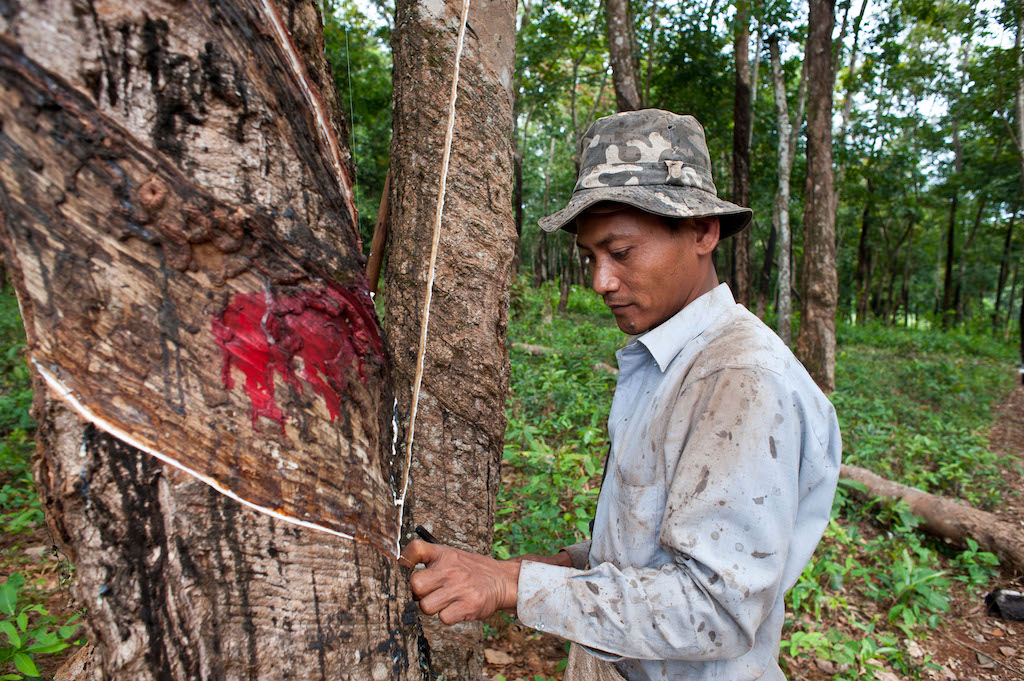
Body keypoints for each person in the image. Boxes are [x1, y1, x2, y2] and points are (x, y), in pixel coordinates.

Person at [400, 109, 842, 681]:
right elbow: (641, 549)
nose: (600, 282)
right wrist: (512, 569)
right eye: (591, 258)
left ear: (703, 231)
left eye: (622, 252)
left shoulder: (739, 380)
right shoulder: (665, 360)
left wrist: (512, 585)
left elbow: (717, 612)